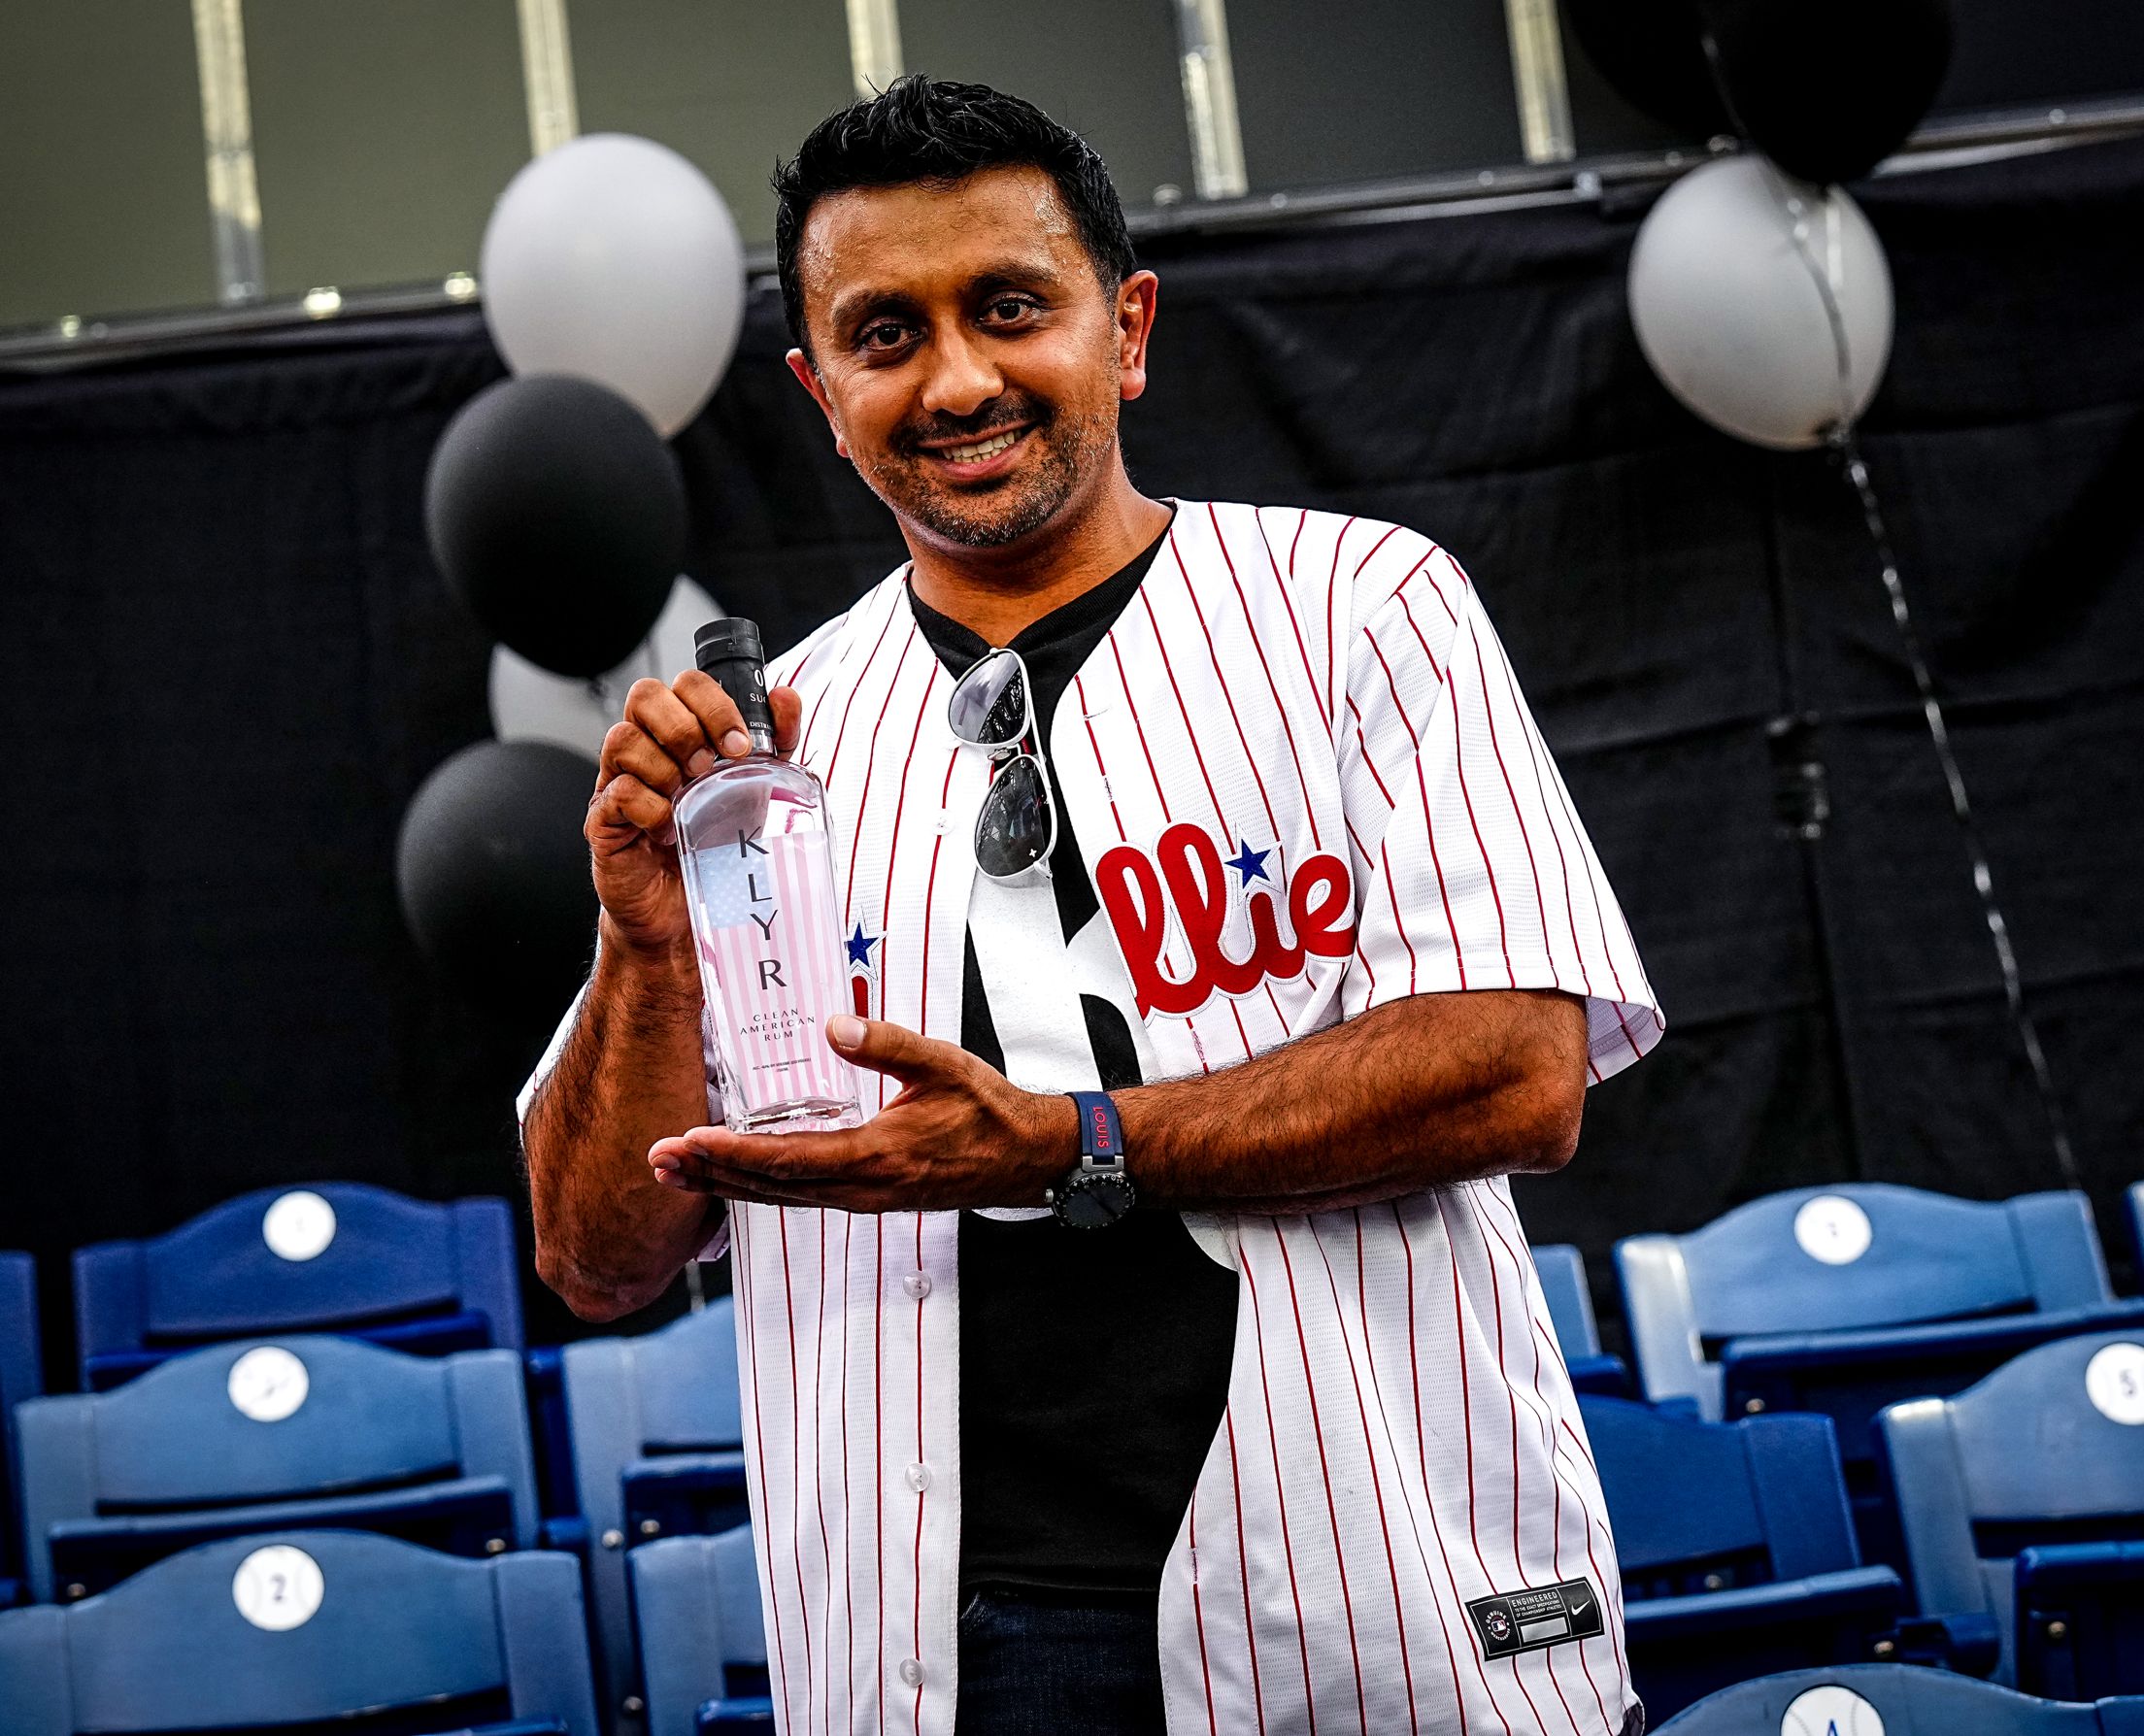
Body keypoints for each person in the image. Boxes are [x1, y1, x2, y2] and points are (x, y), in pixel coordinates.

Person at [521, 75, 1661, 1736]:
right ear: (817, 392)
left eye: (1008, 308)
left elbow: (1517, 1069)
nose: (959, 378)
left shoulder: (1361, 607)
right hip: (950, 1651)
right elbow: (595, 1255)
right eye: (884, 333)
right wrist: (642, 937)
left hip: (1386, 1591)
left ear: (1126, 328)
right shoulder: (766, 758)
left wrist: (1073, 1145)